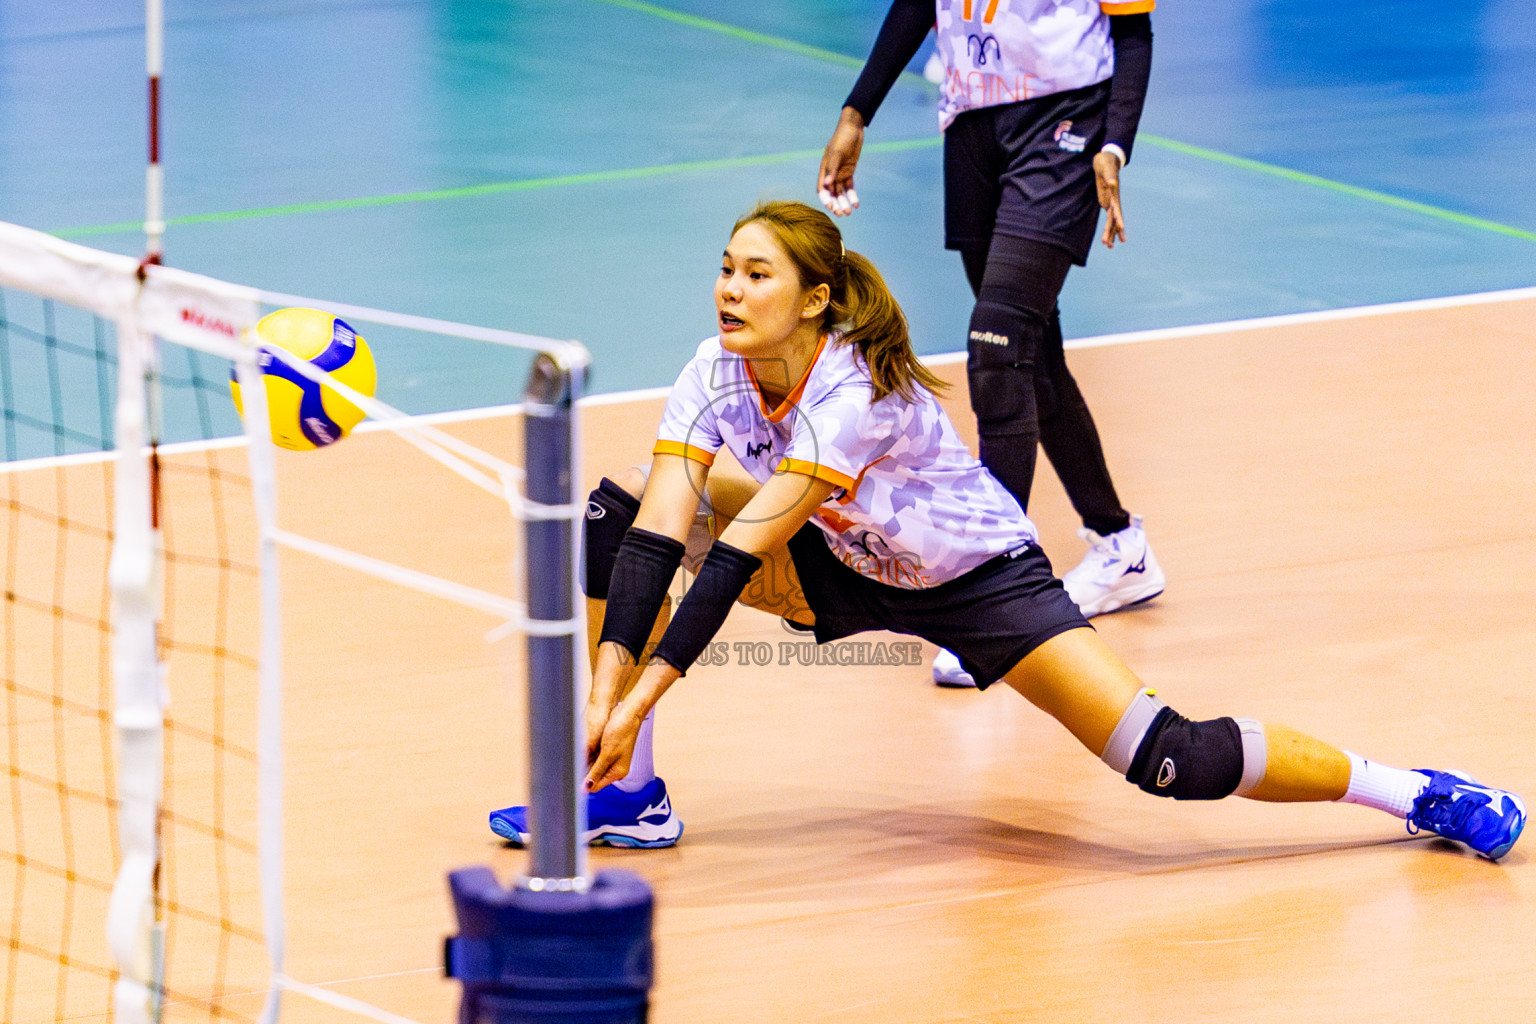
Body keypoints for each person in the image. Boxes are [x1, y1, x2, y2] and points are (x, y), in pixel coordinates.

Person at [488, 201, 1526, 862]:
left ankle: (1419, 789)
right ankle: (627, 792)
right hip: (848, 559)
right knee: (615, 509)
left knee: (1167, 757)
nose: (729, 287)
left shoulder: (847, 389)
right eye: (725, 266)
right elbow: (662, 529)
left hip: (981, 580)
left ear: (815, 301)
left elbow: (731, 564)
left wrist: (644, 689)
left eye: (757, 273)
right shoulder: (711, 372)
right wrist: (603, 697)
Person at [818, 0, 1163, 687]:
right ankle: (1121, 546)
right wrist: (857, 114)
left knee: (997, 345)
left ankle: (993, 601)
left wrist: (1114, 142)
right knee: (1029, 354)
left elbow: (1133, 30)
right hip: (973, 123)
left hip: (1067, 118)